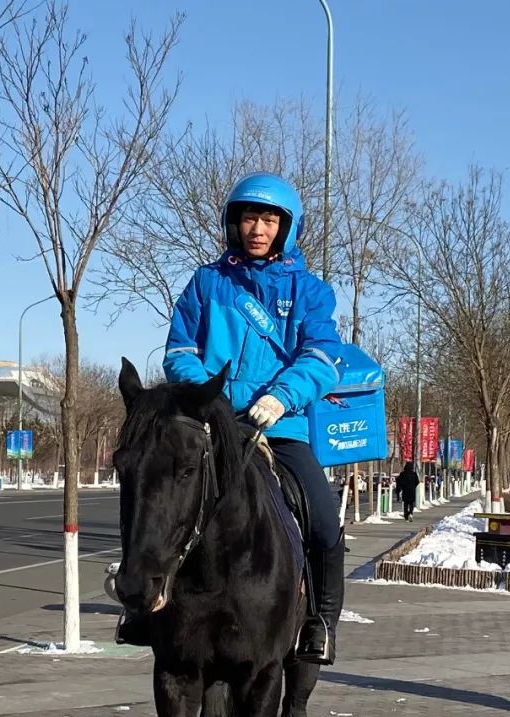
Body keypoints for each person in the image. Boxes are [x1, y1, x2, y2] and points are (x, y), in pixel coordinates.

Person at [117, 172, 346, 666]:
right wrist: (209, 401)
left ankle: (320, 623)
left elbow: (323, 357)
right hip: (211, 425)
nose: (257, 228)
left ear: (286, 227)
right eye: (248, 217)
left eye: (268, 219)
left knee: (324, 523)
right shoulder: (206, 283)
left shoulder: (311, 292)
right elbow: (179, 351)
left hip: (279, 429)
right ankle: (139, 607)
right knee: (157, 501)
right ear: (233, 223)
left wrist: (282, 397)